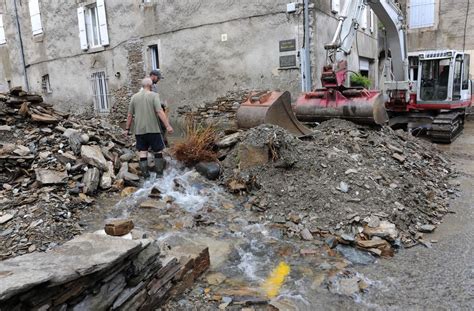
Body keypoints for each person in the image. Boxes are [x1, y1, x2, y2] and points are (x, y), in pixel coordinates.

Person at [126, 77, 173, 178]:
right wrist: (168, 126)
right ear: (151, 86)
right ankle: (159, 175)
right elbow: (159, 111)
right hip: (153, 129)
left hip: (139, 131)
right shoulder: (154, 95)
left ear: (142, 86)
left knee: (143, 152)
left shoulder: (134, 97)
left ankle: (146, 176)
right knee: (158, 151)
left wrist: (127, 129)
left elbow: (129, 115)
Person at [150, 69, 169, 147]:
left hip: (157, 108)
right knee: (159, 127)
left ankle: (162, 143)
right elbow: (151, 99)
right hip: (152, 111)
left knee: (162, 127)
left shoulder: (154, 86)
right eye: (158, 78)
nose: (159, 80)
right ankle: (156, 146)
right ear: (153, 76)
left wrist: (162, 104)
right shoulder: (148, 86)